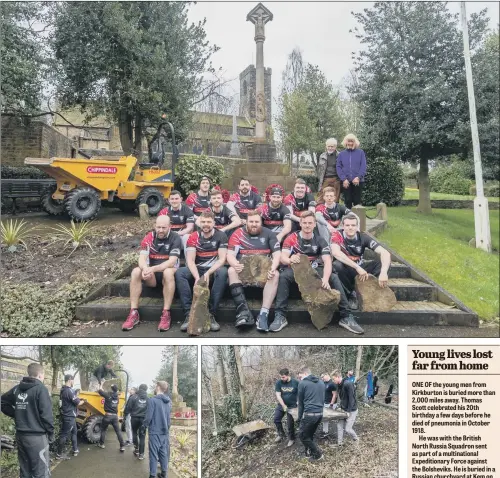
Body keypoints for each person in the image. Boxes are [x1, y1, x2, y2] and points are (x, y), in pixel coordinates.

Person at [274, 211, 365, 334]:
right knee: (284, 276)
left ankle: (346, 316)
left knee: (333, 277)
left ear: (315, 224)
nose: (307, 225)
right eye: (304, 223)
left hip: (315, 270)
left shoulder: (320, 240)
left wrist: (325, 279)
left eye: (310, 223)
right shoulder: (292, 238)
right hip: (297, 270)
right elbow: (282, 257)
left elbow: (328, 261)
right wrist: (290, 259)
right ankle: (280, 315)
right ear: (300, 223)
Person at [122, 215, 182, 332]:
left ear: (169, 226)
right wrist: (145, 269)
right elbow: (141, 258)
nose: (160, 230)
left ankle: (166, 313)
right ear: (154, 226)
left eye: (163, 228)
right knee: (136, 271)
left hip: (168, 272)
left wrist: (152, 269)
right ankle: (134, 312)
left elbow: (172, 261)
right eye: (158, 227)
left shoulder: (175, 238)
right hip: (152, 276)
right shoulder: (149, 236)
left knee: (168, 272)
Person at [227, 210, 281, 330]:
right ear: (246, 222)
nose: (254, 224)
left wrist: (272, 268)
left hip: (262, 272)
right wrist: (235, 264)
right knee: (231, 270)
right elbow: (230, 255)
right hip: (244, 271)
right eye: (251, 221)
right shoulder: (237, 233)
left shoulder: (269, 233)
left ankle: (263, 314)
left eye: (257, 221)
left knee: (275, 274)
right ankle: (243, 311)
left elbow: (277, 255)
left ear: (261, 222)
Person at [175, 211, 228, 332]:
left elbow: (221, 260)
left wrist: (208, 273)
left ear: (214, 223)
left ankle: (211, 314)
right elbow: (190, 261)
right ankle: (189, 315)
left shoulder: (221, 236)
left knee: (223, 272)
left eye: (209, 222)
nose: (206, 224)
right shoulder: (193, 236)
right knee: (180, 273)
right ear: (199, 223)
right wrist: (198, 277)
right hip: (197, 269)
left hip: (213, 270)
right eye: (203, 222)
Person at [1, 362, 54, 478]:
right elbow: (47, 416)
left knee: (25, 471)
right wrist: (51, 434)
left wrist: (17, 414)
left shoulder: (17, 389)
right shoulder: (41, 389)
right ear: (40, 375)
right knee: (41, 472)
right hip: (37, 438)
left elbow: (2, 402)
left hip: (21, 436)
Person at [331, 212, 391, 310]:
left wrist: (384, 273)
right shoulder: (337, 235)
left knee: (383, 263)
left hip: (361, 270)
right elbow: (335, 252)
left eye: (353, 225)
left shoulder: (363, 237)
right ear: (343, 226)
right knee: (337, 265)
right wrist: (357, 267)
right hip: (347, 271)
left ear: (357, 227)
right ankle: (351, 294)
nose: (350, 228)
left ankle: (372, 290)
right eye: (347, 225)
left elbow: (385, 253)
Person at [143, 381, 172, 478]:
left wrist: (144, 426)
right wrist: (167, 429)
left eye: (156, 386)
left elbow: (148, 417)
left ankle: (152, 475)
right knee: (163, 453)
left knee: (153, 454)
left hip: (155, 431)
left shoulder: (153, 400)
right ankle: (164, 474)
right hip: (165, 432)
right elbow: (168, 418)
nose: (155, 387)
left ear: (158, 387)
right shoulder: (168, 401)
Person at [296, 365, 325, 462]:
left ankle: (318, 455)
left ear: (305, 373)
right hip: (320, 414)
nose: (300, 378)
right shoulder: (321, 382)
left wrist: (299, 418)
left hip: (310, 415)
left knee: (302, 436)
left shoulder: (302, 383)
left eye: (300, 376)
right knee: (310, 434)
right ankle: (308, 452)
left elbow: (300, 404)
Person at [57, 374, 86, 459]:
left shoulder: (63, 390)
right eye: (73, 380)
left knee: (74, 432)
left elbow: (69, 401)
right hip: (69, 416)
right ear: (70, 380)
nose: (73, 382)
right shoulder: (69, 391)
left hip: (68, 415)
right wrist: (84, 401)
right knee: (64, 435)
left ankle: (75, 449)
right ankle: (59, 454)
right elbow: (78, 403)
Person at [336, 134, 367, 209]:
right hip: (346, 181)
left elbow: (363, 166)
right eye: (348, 141)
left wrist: (358, 177)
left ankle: (359, 219)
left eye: (352, 141)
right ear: (345, 142)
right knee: (348, 201)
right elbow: (338, 167)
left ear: (355, 142)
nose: (350, 143)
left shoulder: (360, 152)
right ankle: (348, 219)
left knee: (357, 201)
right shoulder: (341, 154)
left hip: (358, 181)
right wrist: (344, 179)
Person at [332, 370, 359, 446]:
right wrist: (339, 406)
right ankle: (339, 443)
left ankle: (356, 439)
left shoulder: (348, 384)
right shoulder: (338, 385)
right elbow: (342, 397)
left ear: (338, 377)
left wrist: (349, 411)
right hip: (343, 409)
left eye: (334, 379)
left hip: (352, 410)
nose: (333, 381)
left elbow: (352, 399)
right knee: (339, 426)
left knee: (348, 429)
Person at [273, 368, 299, 447]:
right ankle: (281, 434)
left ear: (288, 375)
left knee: (290, 423)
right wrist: (284, 406)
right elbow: (278, 395)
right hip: (282, 405)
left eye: (283, 377)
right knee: (276, 419)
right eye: (280, 377)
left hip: (292, 406)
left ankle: (291, 438)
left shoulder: (295, 382)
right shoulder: (278, 383)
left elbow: (300, 393)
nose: (282, 379)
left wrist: (298, 402)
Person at [97, 384, 125, 451]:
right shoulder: (117, 397)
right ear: (116, 390)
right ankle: (122, 446)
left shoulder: (108, 395)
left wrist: (101, 384)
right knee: (118, 431)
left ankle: (101, 444)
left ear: (111, 389)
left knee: (103, 430)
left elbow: (99, 391)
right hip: (114, 416)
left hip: (108, 416)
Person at [125, 383, 149, 460]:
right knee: (142, 436)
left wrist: (125, 415)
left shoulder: (133, 397)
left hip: (134, 418)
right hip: (143, 419)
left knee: (134, 432)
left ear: (139, 388)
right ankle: (141, 455)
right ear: (146, 390)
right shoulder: (148, 399)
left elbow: (128, 407)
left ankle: (136, 450)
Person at [317, 138, 341, 203]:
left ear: (335, 147)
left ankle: (334, 212)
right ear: (326, 146)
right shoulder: (322, 156)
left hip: (336, 180)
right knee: (322, 197)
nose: (330, 148)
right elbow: (320, 169)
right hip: (326, 179)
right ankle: (320, 211)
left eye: (332, 146)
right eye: (328, 146)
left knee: (335, 198)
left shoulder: (340, 155)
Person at [319, 373, 338, 438]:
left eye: (322, 377)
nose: (322, 378)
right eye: (321, 377)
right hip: (325, 403)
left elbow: (335, 395)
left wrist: (331, 404)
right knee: (325, 418)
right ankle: (325, 431)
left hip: (330, 404)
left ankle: (326, 432)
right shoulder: (324, 383)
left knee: (325, 418)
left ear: (327, 375)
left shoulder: (332, 383)